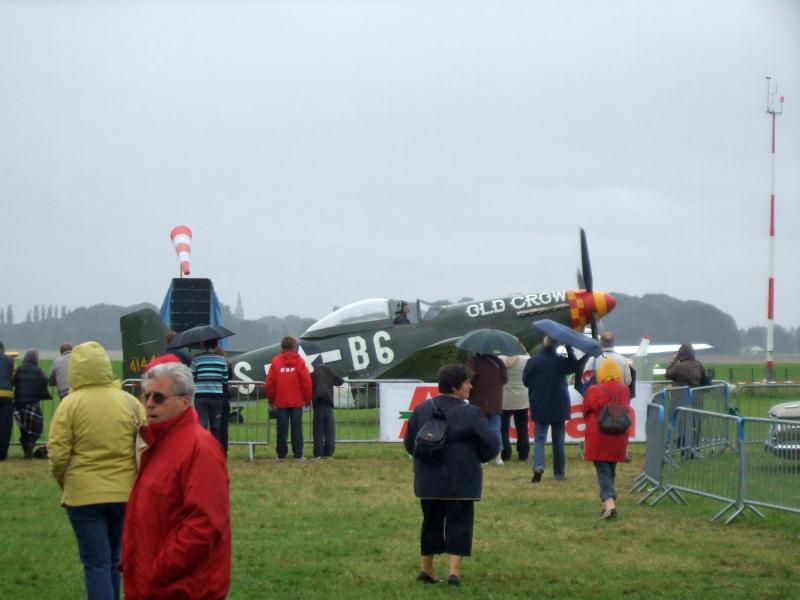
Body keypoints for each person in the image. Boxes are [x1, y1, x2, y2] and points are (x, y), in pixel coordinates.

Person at [121, 362, 231, 600]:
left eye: (159, 397)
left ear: (184, 401)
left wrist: (160, 569)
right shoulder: (158, 443)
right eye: (146, 395)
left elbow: (204, 525)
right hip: (152, 585)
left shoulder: (200, 449)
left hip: (181, 588)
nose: (149, 403)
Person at [48, 341, 144, 600]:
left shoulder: (69, 405)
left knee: (95, 562)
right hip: (125, 493)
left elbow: (57, 454)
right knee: (113, 558)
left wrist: (65, 482)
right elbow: (144, 444)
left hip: (82, 494)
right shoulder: (129, 401)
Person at [403, 364, 499, 586]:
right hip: (462, 478)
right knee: (460, 523)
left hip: (428, 478)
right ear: (456, 386)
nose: (470, 386)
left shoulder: (421, 409)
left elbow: (410, 445)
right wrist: (477, 457)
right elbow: (492, 445)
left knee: (430, 522)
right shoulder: (472, 412)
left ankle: (426, 569)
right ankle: (454, 573)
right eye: (467, 382)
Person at [522, 336, 579, 482]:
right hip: (559, 404)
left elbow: (525, 381)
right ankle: (559, 473)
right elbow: (575, 367)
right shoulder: (561, 361)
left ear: (543, 344)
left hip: (539, 403)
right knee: (558, 440)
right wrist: (569, 349)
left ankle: (539, 466)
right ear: (555, 346)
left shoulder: (532, 361)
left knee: (539, 438)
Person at [582, 359, 632, 519]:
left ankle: (610, 503)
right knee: (610, 468)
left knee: (602, 468)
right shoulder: (624, 390)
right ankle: (605, 506)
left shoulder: (594, 390)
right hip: (618, 435)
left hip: (599, 435)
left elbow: (586, 410)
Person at [265, 336, 312, 460]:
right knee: (297, 428)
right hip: (297, 401)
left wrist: (271, 400)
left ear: (282, 347)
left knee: (282, 429)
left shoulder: (276, 361)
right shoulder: (300, 361)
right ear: (294, 347)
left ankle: (281, 455)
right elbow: (306, 382)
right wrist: (307, 399)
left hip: (281, 402)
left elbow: (270, 383)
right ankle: (298, 454)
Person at [467, 353, 507, 465]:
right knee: (495, 430)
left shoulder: (474, 361)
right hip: (495, 400)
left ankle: (483, 457)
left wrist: (468, 394)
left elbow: (471, 379)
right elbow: (505, 379)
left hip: (478, 400)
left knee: (480, 429)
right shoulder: (498, 361)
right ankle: (498, 458)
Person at [190, 339, 229, 447]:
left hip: (201, 397)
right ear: (216, 345)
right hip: (217, 397)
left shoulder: (196, 359)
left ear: (203, 345)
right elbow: (225, 379)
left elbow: (191, 376)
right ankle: (215, 449)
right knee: (216, 426)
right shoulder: (222, 360)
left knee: (202, 424)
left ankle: (200, 448)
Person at [13, 349, 52, 458]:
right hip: (33, 403)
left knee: (24, 429)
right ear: (36, 359)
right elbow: (45, 380)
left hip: (19, 403)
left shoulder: (19, 369)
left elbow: (14, 381)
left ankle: (26, 451)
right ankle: (29, 451)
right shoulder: (39, 370)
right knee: (34, 430)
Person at [500, 354, 531, 462]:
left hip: (505, 398)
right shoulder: (526, 359)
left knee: (503, 429)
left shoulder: (500, 359)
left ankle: (505, 454)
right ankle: (523, 454)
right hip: (522, 398)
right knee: (522, 428)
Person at [311, 361, 344, 459]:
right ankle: (329, 453)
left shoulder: (314, 374)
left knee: (318, 431)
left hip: (318, 406)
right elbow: (340, 381)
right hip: (328, 406)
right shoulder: (329, 373)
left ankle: (318, 454)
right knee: (329, 431)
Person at [214, 345, 235, 456]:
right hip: (224, 397)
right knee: (223, 426)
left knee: (214, 426)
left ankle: (214, 449)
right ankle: (224, 450)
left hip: (215, 397)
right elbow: (228, 378)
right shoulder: (227, 364)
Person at [0, 341, 15, 461]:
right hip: (6, 395)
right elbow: (14, 378)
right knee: (5, 426)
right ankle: (3, 454)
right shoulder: (10, 361)